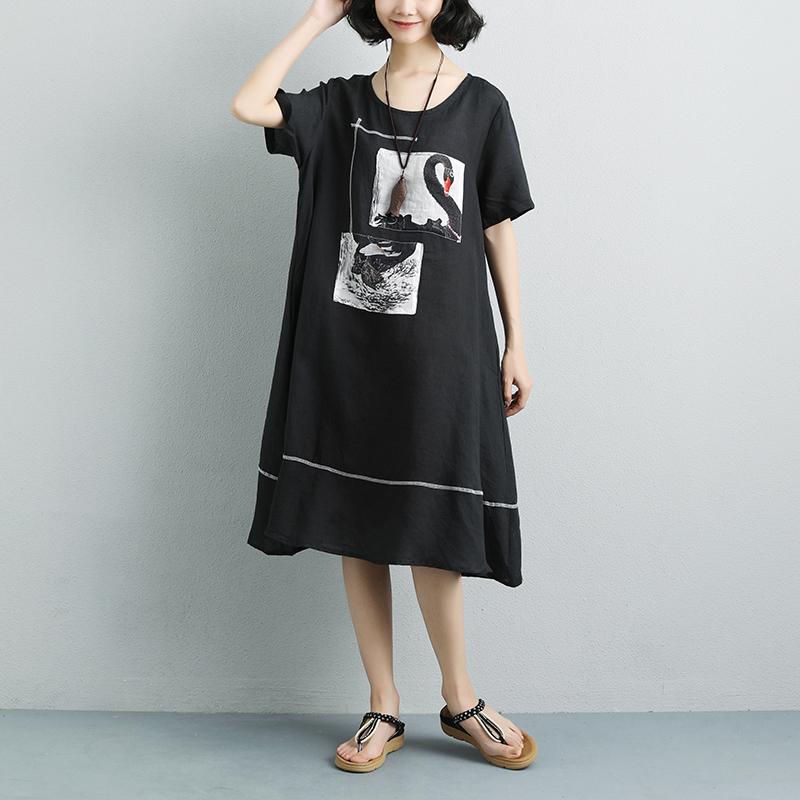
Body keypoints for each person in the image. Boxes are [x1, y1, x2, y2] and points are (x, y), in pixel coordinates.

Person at [231, 0, 537, 772]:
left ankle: (460, 698)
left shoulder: (482, 106)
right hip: (350, 349)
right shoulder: (339, 105)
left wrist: (517, 341)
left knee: (435, 524)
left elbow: (496, 225)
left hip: (443, 352)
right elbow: (250, 104)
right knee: (357, 520)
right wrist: (317, 17)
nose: (406, 4)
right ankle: (383, 705)